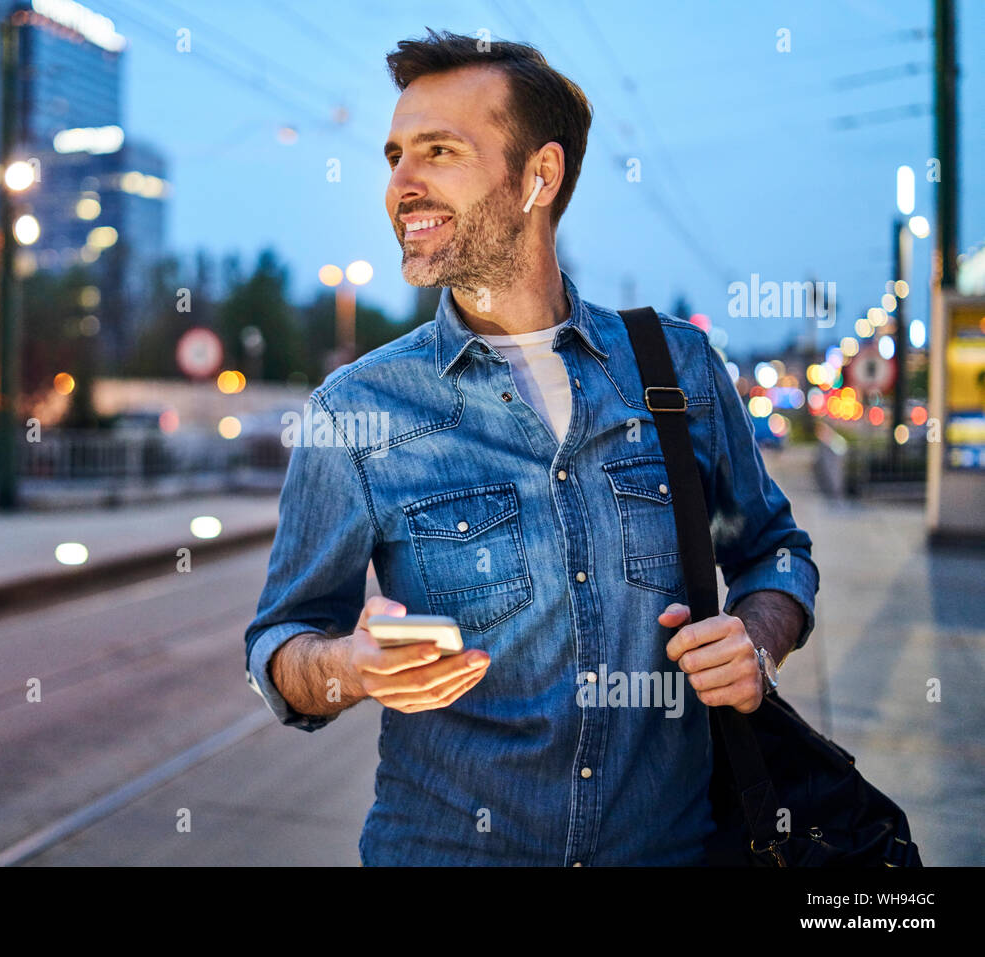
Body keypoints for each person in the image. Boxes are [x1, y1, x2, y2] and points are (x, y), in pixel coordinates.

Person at [243, 29, 819, 865]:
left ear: (539, 177)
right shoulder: (356, 409)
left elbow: (777, 553)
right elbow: (280, 645)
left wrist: (756, 641)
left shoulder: (677, 369)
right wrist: (350, 665)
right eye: (396, 155)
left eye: (439, 152)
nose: (402, 185)